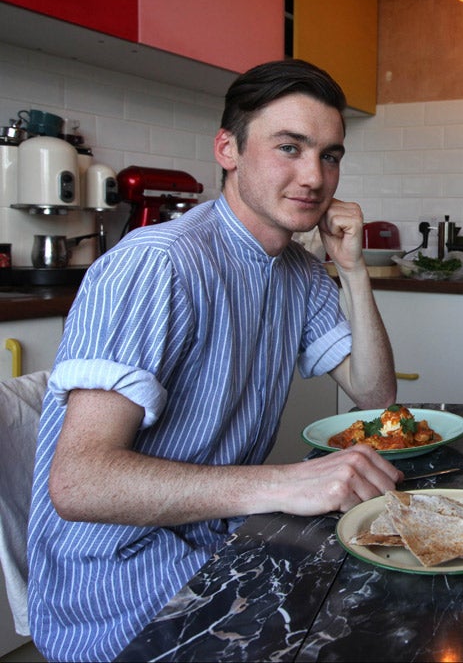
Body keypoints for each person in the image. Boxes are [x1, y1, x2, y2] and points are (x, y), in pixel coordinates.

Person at [27, 59, 403, 662]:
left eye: (329, 155)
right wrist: (285, 482)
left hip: (221, 542)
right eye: (289, 147)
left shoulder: (300, 272)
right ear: (228, 149)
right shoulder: (158, 263)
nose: (314, 177)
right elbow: (79, 483)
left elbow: (374, 396)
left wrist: (353, 271)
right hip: (120, 582)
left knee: (383, 604)